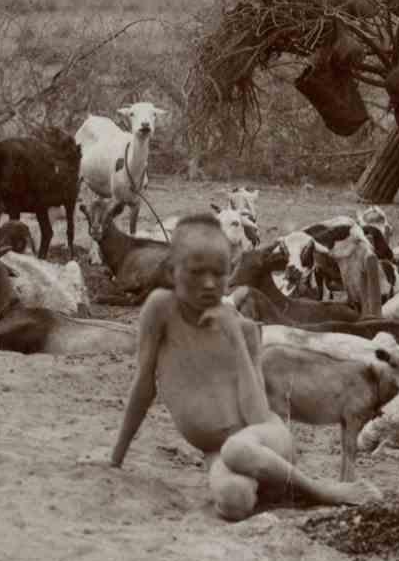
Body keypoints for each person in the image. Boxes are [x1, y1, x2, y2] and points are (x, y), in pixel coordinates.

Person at [109, 215, 374, 520]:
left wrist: (235, 337)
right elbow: (144, 386)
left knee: (237, 449)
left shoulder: (242, 329)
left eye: (219, 273)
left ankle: (321, 490)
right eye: (197, 272)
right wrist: (116, 459)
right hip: (218, 453)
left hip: (265, 438)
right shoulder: (160, 310)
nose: (209, 284)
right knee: (234, 499)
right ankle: (276, 487)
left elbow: (258, 415)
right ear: (172, 271)